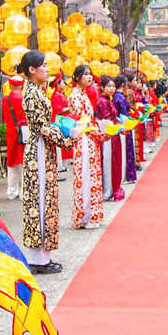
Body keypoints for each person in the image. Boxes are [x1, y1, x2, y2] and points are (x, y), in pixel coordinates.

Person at [20, 51, 65, 274]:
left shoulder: (37, 90)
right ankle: (37, 259)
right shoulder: (31, 93)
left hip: (43, 148)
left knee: (44, 199)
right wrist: (65, 139)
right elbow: (40, 127)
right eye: (44, 66)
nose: (47, 69)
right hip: (38, 148)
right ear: (32, 69)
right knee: (38, 201)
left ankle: (42, 257)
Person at [68, 65, 104, 230]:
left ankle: (91, 215)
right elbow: (82, 121)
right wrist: (100, 133)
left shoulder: (84, 94)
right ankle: (86, 216)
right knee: (86, 175)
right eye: (85, 74)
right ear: (77, 77)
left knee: (91, 175)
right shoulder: (75, 95)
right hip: (83, 138)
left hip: (90, 138)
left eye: (90, 74)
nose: (89, 77)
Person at [96, 76, 125, 201]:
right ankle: (108, 190)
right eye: (108, 86)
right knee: (109, 161)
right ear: (102, 87)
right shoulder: (103, 101)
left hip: (114, 133)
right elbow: (107, 120)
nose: (112, 88)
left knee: (114, 161)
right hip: (108, 134)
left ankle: (112, 188)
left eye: (113, 86)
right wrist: (118, 127)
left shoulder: (109, 100)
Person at [0, 75, 28, 200]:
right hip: (24, 133)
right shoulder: (24, 99)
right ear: (22, 86)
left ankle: (12, 191)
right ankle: (23, 192)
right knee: (24, 162)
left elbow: (4, 117)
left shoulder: (5, 100)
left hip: (11, 133)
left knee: (12, 162)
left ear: (11, 86)